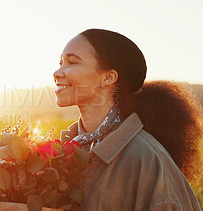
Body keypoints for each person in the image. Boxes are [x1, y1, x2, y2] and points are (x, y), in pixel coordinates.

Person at [54, 28, 203, 210]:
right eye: (60, 62)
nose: (57, 72)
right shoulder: (60, 151)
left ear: (108, 77)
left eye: (72, 62)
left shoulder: (145, 158)